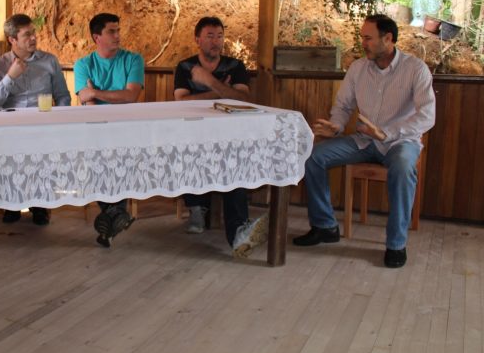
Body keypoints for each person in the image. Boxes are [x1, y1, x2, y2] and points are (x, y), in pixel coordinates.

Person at [293, 14, 435, 268]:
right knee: (313, 156)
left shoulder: (415, 69)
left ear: (388, 38)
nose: (363, 43)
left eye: (368, 38)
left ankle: (396, 244)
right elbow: (344, 106)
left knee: (403, 168)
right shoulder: (358, 68)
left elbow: (427, 116)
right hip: (363, 140)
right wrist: (335, 126)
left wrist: (388, 133)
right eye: (362, 37)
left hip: (400, 142)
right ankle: (325, 226)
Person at [173, 16, 268, 257]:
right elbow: (180, 102)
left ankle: (238, 232)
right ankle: (196, 207)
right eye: (210, 36)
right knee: (186, 149)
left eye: (220, 36)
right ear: (197, 40)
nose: (216, 42)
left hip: (229, 134)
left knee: (233, 162)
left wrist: (208, 82)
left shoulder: (235, 66)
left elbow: (244, 100)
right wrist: (221, 92)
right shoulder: (186, 67)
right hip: (193, 131)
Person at [0, 13, 71, 225]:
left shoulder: (49, 61)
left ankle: (39, 205)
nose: (33, 38)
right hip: (10, 126)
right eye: (27, 35)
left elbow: (63, 96)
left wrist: (59, 120)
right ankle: (12, 204)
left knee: (41, 152)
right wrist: (10, 77)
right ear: (12, 40)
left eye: (33, 33)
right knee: (9, 151)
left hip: (43, 123)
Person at [74, 13, 144, 247]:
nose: (117, 35)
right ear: (97, 37)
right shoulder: (83, 65)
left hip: (128, 128)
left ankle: (112, 214)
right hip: (96, 129)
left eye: (118, 30)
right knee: (99, 150)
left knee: (117, 150)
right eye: (111, 31)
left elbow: (131, 95)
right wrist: (110, 98)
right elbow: (90, 108)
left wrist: (96, 92)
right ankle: (116, 213)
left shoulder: (133, 60)